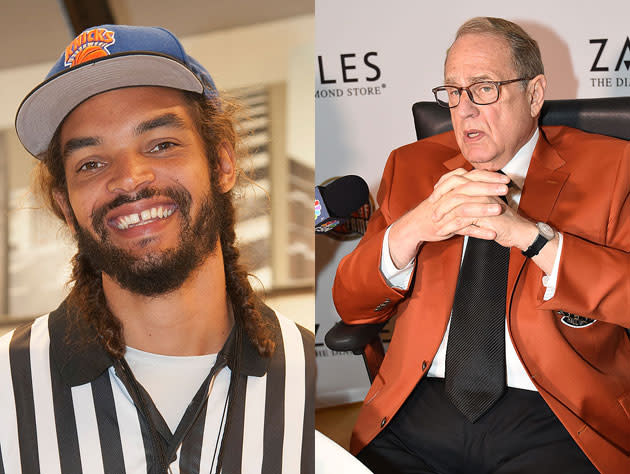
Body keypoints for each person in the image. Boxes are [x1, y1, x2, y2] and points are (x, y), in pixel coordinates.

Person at [0, 25, 314, 473]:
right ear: (65, 207)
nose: (129, 178)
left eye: (162, 144)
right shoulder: (6, 387)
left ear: (222, 164)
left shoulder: (306, 373)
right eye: (91, 163)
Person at [333, 16, 630, 474]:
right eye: (453, 92)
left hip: (555, 411)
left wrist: (533, 238)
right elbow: (350, 304)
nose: (464, 109)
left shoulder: (611, 168)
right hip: (417, 408)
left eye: (484, 87)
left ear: (534, 95)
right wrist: (414, 228)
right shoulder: (411, 168)